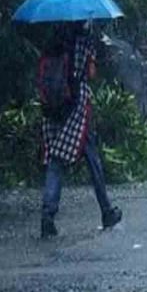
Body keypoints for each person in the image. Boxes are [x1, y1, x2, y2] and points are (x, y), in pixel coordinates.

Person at [39, 23, 122, 238]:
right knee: (93, 160)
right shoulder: (84, 42)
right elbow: (91, 73)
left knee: (55, 160)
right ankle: (106, 211)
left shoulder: (50, 42)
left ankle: (47, 216)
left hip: (52, 109)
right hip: (77, 107)